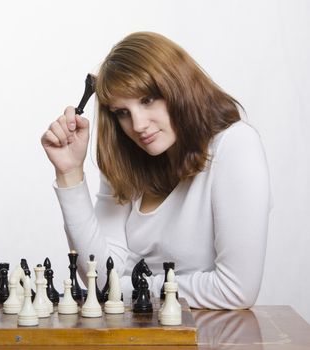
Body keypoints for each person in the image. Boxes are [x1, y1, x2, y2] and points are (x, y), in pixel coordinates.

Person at [40, 32, 271, 310]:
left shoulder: (235, 145)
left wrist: (131, 286)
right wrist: (69, 173)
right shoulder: (127, 163)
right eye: (122, 112)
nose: (137, 124)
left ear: (179, 87)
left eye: (148, 100)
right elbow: (99, 279)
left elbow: (236, 290)